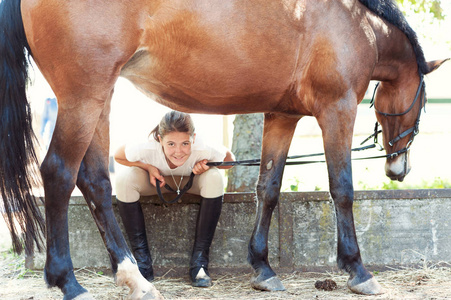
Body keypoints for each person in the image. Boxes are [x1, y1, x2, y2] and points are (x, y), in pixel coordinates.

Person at [114, 110, 234, 287]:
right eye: (171, 144)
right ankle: (142, 263)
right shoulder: (146, 146)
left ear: (193, 138)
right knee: (124, 179)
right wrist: (147, 167)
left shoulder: (202, 146)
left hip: (190, 181)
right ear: (160, 139)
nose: (178, 151)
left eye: (185, 143)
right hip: (158, 181)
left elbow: (230, 161)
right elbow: (118, 155)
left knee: (215, 177)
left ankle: (199, 263)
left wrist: (207, 164)